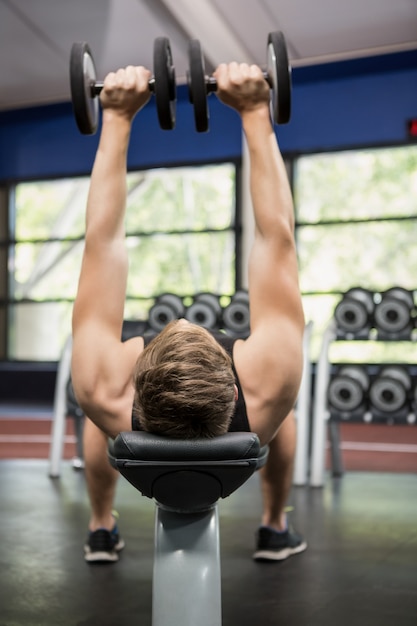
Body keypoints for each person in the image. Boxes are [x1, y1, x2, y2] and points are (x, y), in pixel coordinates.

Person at [71, 61, 307, 564]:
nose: (186, 320)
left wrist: (115, 118)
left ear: (137, 379)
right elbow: (276, 239)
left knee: (96, 422)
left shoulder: (102, 390)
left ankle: (100, 528)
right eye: (198, 331)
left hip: (134, 434)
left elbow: (102, 244)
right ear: (234, 373)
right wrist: (254, 111)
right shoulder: (269, 387)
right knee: (284, 419)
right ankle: (273, 525)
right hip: (247, 424)